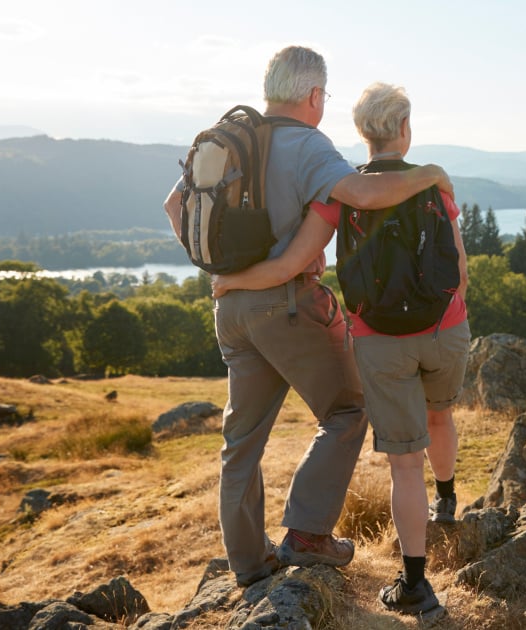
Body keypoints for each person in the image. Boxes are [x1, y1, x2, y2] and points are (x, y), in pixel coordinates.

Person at [162, 46, 454, 588]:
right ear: (315, 96)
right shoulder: (306, 144)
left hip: (229, 308)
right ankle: (307, 534)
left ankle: (249, 565)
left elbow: (174, 207)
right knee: (348, 408)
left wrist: (221, 271)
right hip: (289, 305)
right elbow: (364, 192)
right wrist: (431, 174)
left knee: (241, 440)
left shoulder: (227, 138)